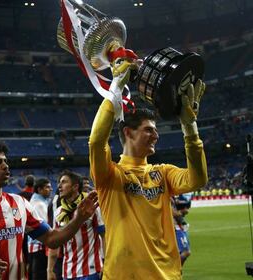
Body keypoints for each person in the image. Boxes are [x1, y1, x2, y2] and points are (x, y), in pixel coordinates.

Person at [89, 60, 208, 279]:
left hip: (166, 276)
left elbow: (197, 179)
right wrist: (115, 87)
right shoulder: (109, 175)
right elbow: (97, 141)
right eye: (148, 130)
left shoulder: (163, 173)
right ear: (128, 132)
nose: (156, 135)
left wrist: (190, 127)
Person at [0, 139, 99, 280]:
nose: (5, 166)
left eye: (5, 161)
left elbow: (51, 239)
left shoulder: (20, 203)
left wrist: (79, 218)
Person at [47, 170, 105, 280]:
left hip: (91, 270)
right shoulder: (58, 212)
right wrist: (49, 269)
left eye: (64, 182)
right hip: (67, 272)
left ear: (75, 187)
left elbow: (104, 235)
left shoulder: (91, 207)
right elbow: (55, 242)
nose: (59, 186)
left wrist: (106, 262)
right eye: (59, 182)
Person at [27, 178, 53, 280]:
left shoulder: (35, 201)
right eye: (47, 187)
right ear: (39, 189)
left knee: (35, 273)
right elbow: (45, 227)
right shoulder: (39, 204)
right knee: (40, 274)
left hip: (34, 245)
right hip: (39, 245)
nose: (50, 189)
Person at [172, 193, 193, 266]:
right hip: (175, 225)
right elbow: (173, 212)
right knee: (186, 252)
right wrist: (182, 212)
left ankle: (176, 271)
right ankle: (175, 270)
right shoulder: (168, 196)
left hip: (179, 225)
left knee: (183, 252)